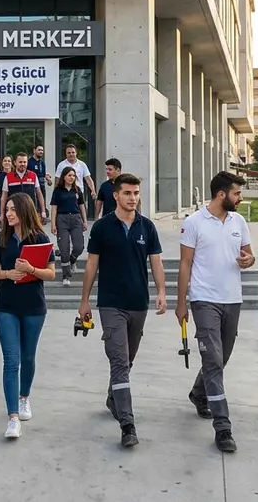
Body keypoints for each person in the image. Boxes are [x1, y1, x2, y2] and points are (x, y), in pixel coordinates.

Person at [78, 173, 167, 447]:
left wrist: (161, 292)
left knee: (127, 361)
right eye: (127, 193)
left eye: (136, 193)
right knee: (118, 361)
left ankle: (113, 397)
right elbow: (91, 265)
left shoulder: (147, 227)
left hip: (138, 303)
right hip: (111, 303)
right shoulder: (102, 227)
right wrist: (84, 301)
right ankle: (127, 424)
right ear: (115, 195)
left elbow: (156, 262)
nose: (133, 198)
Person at [176, 171, 256, 453]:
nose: (240, 198)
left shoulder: (239, 221)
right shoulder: (194, 222)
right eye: (237, 193)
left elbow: (249, 254)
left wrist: (249, 260)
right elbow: (185, 264)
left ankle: (199, 393)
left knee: (222, 358)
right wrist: (181, 303)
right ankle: (223, 427)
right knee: (212, 360)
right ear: (222, 194)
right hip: (204, 300)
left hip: (232, 299)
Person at [0, 193, 56, 439]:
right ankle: (13, 417)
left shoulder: (40, 239)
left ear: (24, 210)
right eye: (6, 209)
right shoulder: (1, 238)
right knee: (11, 359)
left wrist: (31, 269)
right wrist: (7, 274)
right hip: (5, 305)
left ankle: (24, 396)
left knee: (28, 357)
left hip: (33, 306)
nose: (8, 214)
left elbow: (51, 273)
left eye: (13, 209)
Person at [50, 166, 88, 287]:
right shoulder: (58, 191)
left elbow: (82, 206)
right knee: (64, 248)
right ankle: (66, 276)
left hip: (76, 219)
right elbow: (54, 207)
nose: (72, 177)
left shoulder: (77, 190)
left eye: (73, 175)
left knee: (79, 246)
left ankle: (73, 260)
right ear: (64, 177)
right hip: (62, 219)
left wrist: (85, 221)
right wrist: (53, 224)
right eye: (69, 175)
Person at [2, 151, 45, 222]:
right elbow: (4, 197)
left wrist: (43, 211)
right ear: (15, 163)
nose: (22, 164)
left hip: (30, 211)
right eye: (20, 162)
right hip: (14, 212)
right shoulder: (8, 177)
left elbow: (39, 194)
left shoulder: (33, 175)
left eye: (25, 162)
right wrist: (2, 213)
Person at [0, 156, 12, 226]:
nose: (7, 162)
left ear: (12, 163)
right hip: (1, 201)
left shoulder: (15, 175)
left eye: (9, 161)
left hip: (13, 199)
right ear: (2, 163)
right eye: (5, 161)